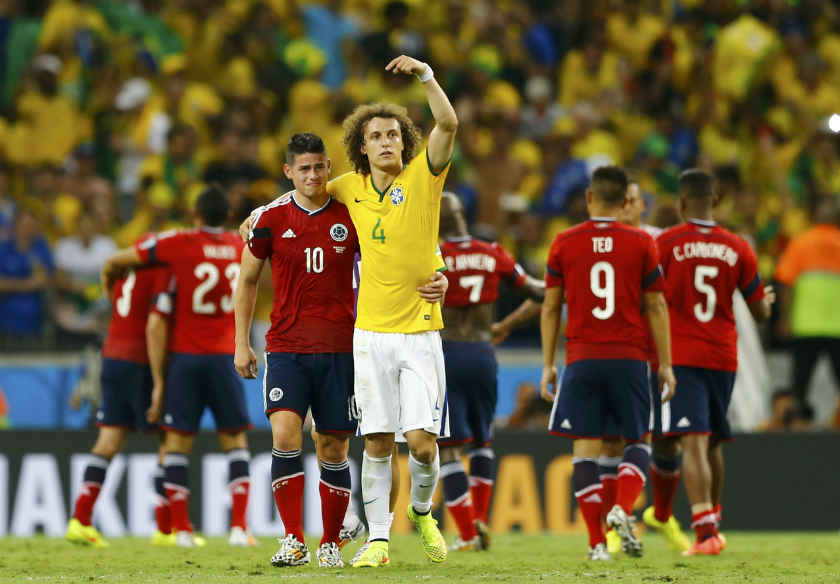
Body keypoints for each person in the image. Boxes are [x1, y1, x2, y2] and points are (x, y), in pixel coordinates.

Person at [327, 54, 458, 568]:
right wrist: (258, 214)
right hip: (371, 335)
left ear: (405, 142)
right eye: (376, 136)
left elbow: (448, 123)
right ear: (362, 146)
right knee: (378, 441)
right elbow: (301, 194)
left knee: (422, 445)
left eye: (394, 135)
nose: (386, 142)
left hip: (420, 334)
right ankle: (378, 539)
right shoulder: (348, 189)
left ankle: (422, 512)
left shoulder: (424, 178)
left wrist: (426, 75)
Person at [101, 186, 253, 548]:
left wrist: (112, 278)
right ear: (228, 217)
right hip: (223, 357)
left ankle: (182, 529)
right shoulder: (238, 247)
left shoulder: (179, 242)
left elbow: (125, 257)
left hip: (184, 358)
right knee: (235, 441)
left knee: (177, 444)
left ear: (196, 215)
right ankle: (239, 528)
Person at [540, 166, 676, 561]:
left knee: (585, 450)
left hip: (582, 358)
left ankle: (597, 544)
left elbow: (551, 305)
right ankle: (622, 507)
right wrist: (665, 364)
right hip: (630, 357)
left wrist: (549, 363)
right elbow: (656, 303)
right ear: (624, 202)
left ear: (588, 198)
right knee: (638, 440)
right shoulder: (641, 242)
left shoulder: (564, 242)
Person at [653, 169, 774, 556]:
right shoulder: (738, 247)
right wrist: (767, 301)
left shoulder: (666, 244)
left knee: (692, 439)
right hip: (723, 357)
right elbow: (760, 314)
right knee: (713, 441)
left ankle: (705, 534)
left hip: (682, 355)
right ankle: (714, 522)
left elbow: (647, 295)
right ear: (716, 202)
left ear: (681, 202)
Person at [437, 191, 544, 551]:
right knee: (482, 441)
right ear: (463, 215)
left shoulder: (432, 256)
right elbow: (538, 292)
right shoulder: (491, 252)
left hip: (446, 353)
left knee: (449, 447)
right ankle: (480, 519)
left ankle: (467, 531)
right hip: (484, 353)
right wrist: (508, 324)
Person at [66, 238, 172, 547]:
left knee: (108, 439)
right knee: (168, 437)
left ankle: (81, 520)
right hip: (140, 360)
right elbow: (155, 324)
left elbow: (108, 281)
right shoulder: (161, 272)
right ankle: (165, 527)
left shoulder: (125, 271)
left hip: (111, 356)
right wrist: (159, 379)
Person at [774, 195, 840, 423]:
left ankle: (796, 429)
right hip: (836, 326)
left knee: (800, 383)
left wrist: (784, 318)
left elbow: (786, 283)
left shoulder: (801, 242)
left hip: (806, 324)